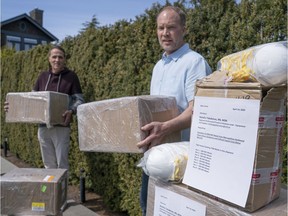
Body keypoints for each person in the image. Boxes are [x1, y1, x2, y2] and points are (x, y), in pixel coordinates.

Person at [136, 6, 212, 215]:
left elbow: (198, 110)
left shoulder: (194, 62)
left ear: (184, 30)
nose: (165, 33)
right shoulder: (159, 66)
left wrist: (165, 128)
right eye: (161, 28)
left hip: (181, 160)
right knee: (149, 207)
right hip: (154, 154)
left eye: (171, 27)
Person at [4, 45, 84, 170]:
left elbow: (79, 99)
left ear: (64, 59)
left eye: (60, 57)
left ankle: (62, 190)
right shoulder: (42, 76)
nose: (57, 60)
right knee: (48, 165)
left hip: (61, 127)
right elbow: (30, 100)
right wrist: (13, 107)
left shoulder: (71, 77)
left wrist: (71, 111)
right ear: (49, 59)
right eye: (54, 57)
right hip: (43, 127)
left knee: (62, 165)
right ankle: (51, 189)